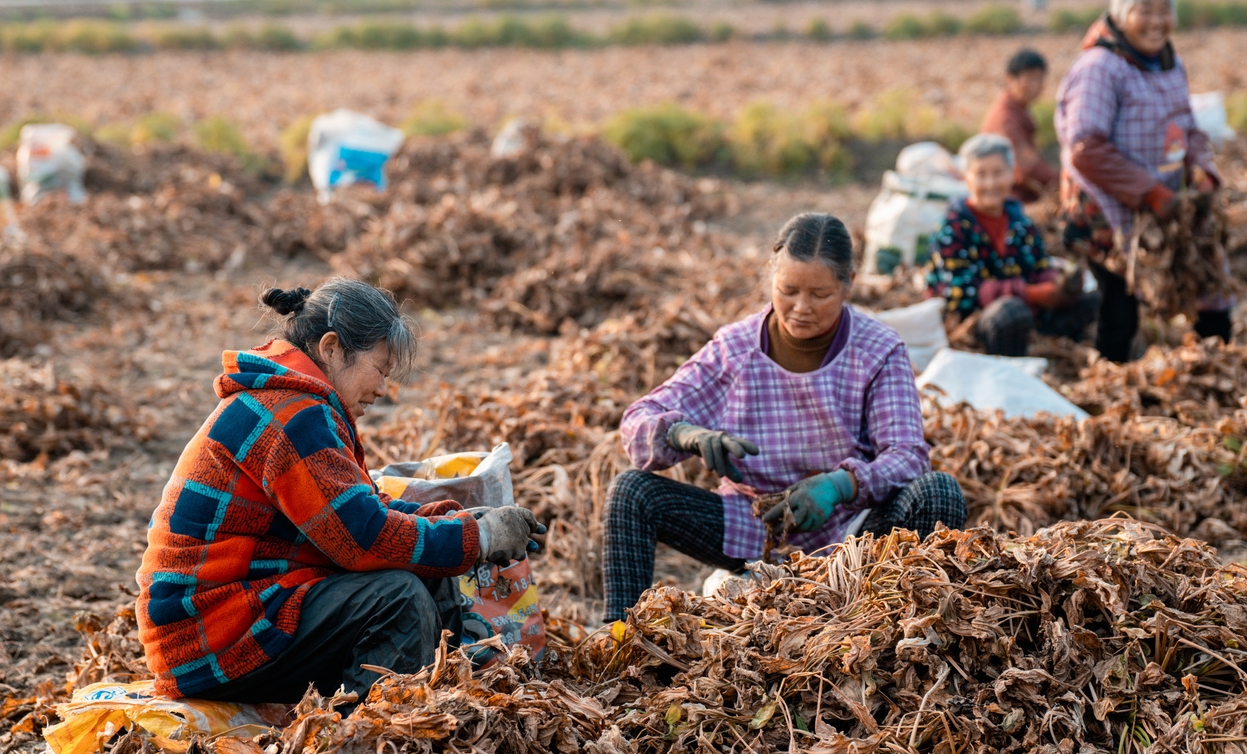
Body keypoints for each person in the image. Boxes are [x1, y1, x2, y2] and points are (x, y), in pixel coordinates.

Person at [135, 278, 545, 704]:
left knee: (422, 565)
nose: (383, 389)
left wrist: (455, 522)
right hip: (210, 634)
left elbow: (364, 509)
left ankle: (468, 671)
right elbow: (364, 540)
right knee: (397, 598)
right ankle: (368, 741)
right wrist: (480, 537)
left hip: (245, 611)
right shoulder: (292, 414)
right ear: (331, 348)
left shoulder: (296, 402)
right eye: (380, 370)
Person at [601, 213, 966, 623]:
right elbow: (638, 419)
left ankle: (887, 627)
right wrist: (684, 434)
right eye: (787, 290)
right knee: (632, 492)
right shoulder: (736, 348)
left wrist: (841, 485)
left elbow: (909, 455)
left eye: (820, 294)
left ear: (849, 284)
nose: (801, 308)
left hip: (850, 530)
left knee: (939, 494)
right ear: (771, 277)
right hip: (751, 524)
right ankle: (619, 636)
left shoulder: (877, 349)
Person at [1054, 0, 1230, 363]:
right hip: (1106, 209)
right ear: (1119, 16)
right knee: (1118, 307)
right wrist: (1150, 191)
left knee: (1209, 286)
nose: (1156, 21)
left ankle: (1219, 371)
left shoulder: (1170, 62)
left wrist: (1201, 167)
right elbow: (1086, 147)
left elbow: (1187, 126)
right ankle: (1111, 392)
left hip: (1163, 202)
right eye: (1143, 11)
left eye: (1164, 10)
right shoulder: (1100, 67)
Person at [924, 133, 1098, 357]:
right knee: (1010, 313)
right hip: (977, 322)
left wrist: (1059, 286)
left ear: (1012, 174)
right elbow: (960, 293)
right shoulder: (953, 228)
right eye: (981, 174)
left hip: (1029, 314)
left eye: (998, 173)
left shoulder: (1021, 223)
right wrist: (1030, 293)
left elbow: (1039, 266)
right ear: (966, 179)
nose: (990, 183)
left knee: (1093, 301)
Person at [979, 48, 1059, 202]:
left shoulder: (1018, 109)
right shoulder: (1007, 118)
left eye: (1039, 79)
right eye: (1029, 79)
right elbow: (1029, 167)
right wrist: (1064, 181)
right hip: (1006, 195)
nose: (1035, 86)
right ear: (1010, 79)